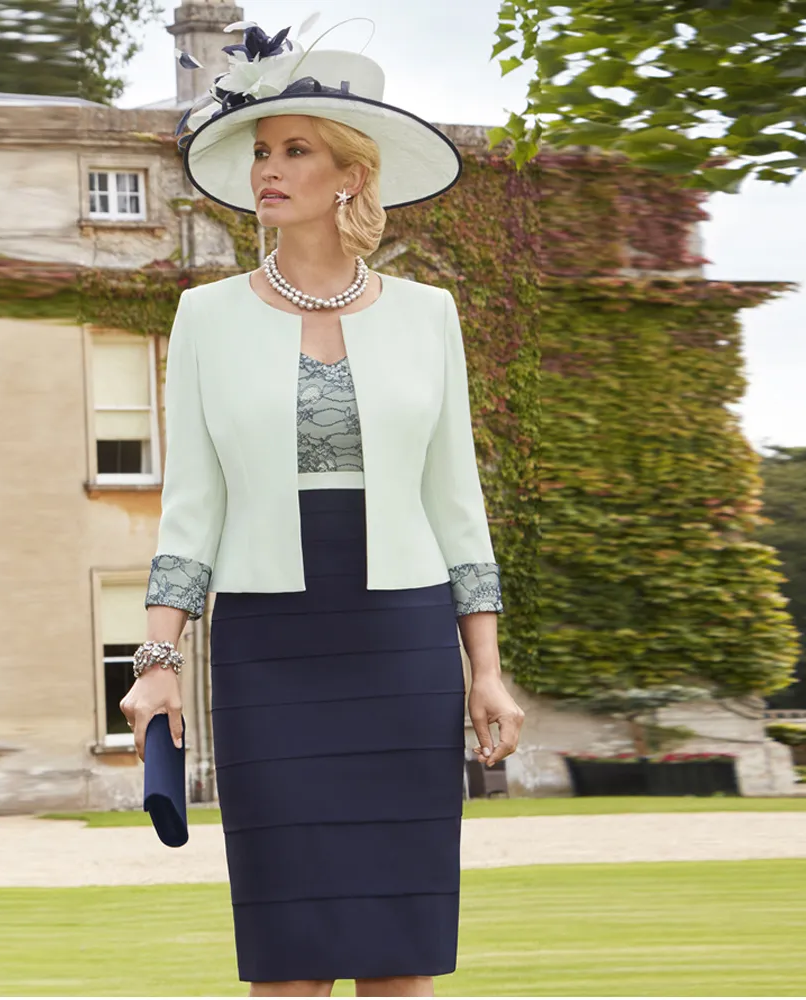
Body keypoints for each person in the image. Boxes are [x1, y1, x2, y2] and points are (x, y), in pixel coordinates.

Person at [119, 15, 525, 998]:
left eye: (295, 149)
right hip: (269, 642)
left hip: (400, 636)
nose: (269, 167)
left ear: (348, 174)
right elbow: (193, 505)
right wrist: (158, 659)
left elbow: (454, 502)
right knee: (288, 964)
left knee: (399, 961)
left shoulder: (429, 316)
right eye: (261, 149)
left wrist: (486, 670)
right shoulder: (205, 316)